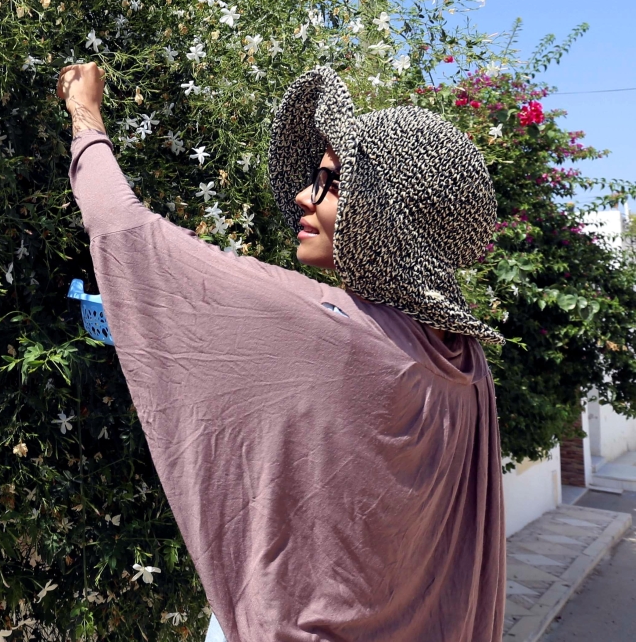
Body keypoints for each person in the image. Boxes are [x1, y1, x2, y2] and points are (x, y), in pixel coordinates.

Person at [57, 62, 506, 642]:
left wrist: (84, 113)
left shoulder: (335, 332)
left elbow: (127, 235)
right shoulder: (464, 364)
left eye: (331, 183)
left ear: (387, 217)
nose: (304, 194)